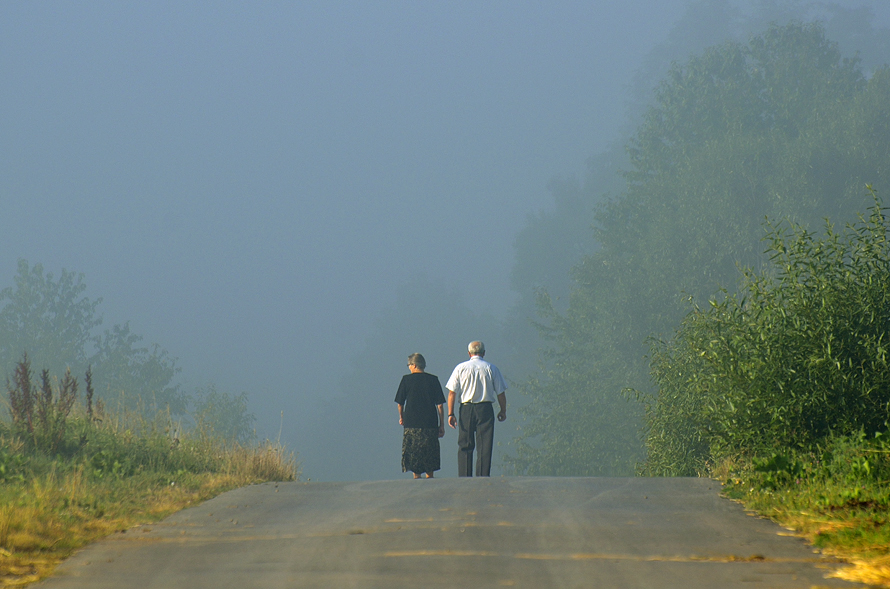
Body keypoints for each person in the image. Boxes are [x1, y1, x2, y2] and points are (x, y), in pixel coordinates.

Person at [446, 341, 507, 477]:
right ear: (484, 353)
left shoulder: (460, 368)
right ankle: (482, 477)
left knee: (465, 444)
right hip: (485, 408)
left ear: (469, 353)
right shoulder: (491, 368)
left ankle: (464, 476)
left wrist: (451, 413)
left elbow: (452, 393)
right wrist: (503, 410)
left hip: (466, 409)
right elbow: (500, 393)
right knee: (485, 444)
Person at [394, 353, 446, 479]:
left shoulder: (406, 380)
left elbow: (400, 403)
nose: (409, 368)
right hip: (430, 423)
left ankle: (416, 478)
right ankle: (430, 477)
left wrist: (402, 417)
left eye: (409, 365)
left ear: (414, 365)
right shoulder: (433, 380)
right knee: (430, 456)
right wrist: (441, 424)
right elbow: (440, 405)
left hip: (411, 423)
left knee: (414, 456)